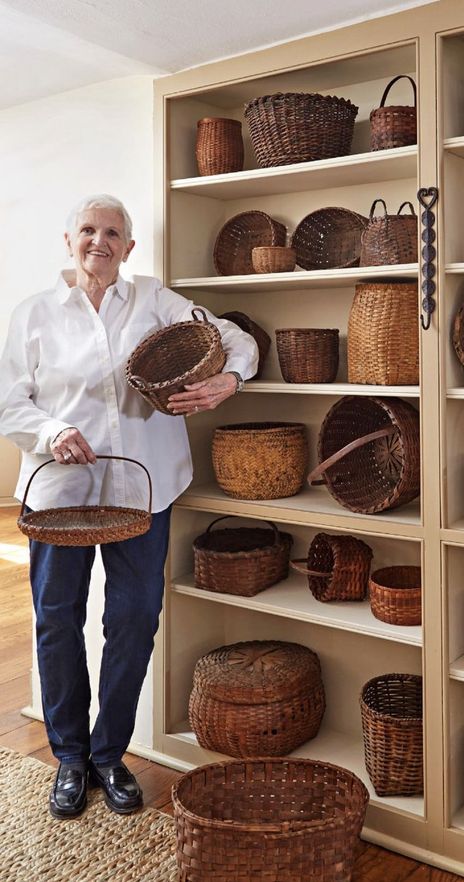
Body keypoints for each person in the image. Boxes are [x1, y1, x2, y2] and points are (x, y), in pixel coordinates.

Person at [0, 194, 258, 819]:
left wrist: (231, 378)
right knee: (57, 621)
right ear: (69, 241)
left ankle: (109, 753)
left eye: (112, 232)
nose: (100, 241)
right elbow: (10, 402)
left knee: (135, 619)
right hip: (60, 497)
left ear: (129, 247)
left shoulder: (156, 300)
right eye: (87, 229)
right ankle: (68, 756)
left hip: (144, 495)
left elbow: (230, 336)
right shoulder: (34, 313)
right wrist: (50, 431)